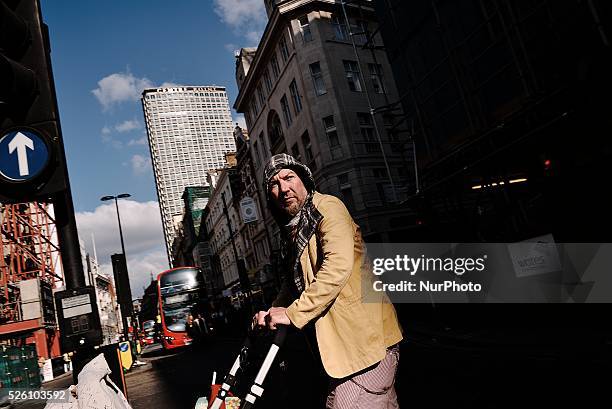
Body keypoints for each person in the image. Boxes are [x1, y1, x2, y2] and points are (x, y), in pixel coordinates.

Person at [253, 154, 403, 408]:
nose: (283, 188)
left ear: (305, 180)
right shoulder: (293, 231)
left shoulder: (327, 208)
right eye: (274, 185)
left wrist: (292, 314)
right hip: (343, 350)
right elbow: (291, 284)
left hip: (366, 343)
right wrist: (271, 312)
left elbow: (337, 267)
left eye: (289, 177)